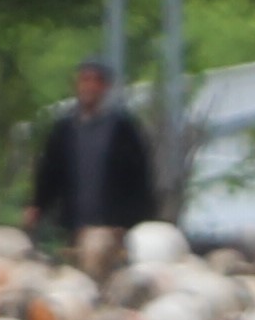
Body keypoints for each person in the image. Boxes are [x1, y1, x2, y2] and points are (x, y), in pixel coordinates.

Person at [30, 61, 163, 244]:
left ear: (105, 87)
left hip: (114, 229)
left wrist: (136, 220)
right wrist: (38, 205)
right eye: (85, 80)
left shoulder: (123, 129)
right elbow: (50, 172)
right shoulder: (64, 130)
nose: (89, 86)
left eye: (96, 81)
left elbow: (139, 178)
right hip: (73, 226)